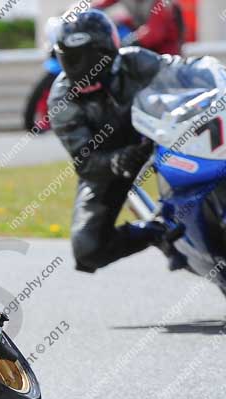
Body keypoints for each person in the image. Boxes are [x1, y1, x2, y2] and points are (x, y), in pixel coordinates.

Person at [49, 9, 186, 273]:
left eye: (90, 56)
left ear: (108, 49)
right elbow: (85, 161)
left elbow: (181, 74)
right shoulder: (61, 99)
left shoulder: (135, 62)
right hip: (109, 161)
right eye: (74, 58)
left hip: (163, 140)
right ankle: (154, 231)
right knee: (87, 249)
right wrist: (117, 160)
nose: (83, 66)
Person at [92, 0, 184, 55]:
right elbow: (100, 6)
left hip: (165, 58)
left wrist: (124, 43)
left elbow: (153, 35)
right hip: (143, 54)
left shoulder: (162, 3)